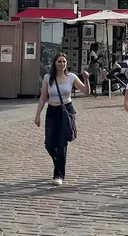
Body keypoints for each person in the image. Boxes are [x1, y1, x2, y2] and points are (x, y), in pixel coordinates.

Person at [33, 53, 90, 186]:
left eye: (64, 62)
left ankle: (59, 174)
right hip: (52, 111)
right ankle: (58, 161)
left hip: (66, 110)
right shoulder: (48, 78)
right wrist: (37, 115)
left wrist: (86, 79)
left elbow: (86, 91)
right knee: (49, 143)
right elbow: (43, 97)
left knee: (61, 143)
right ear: (55, 63)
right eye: (59, 62)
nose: (62, 64)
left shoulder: (71, 77)